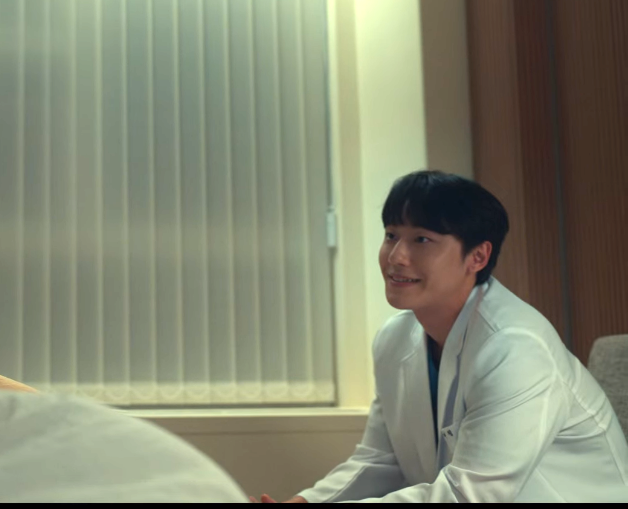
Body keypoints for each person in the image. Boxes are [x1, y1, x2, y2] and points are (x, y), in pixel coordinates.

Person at [253, 170, 628, 502]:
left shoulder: (516, 347)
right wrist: (307, 501)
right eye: (391, 235)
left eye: (422, 240)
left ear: (477, 257)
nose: (396, 256)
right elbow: (381, 460)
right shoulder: (394, 339)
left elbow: (471, 495)